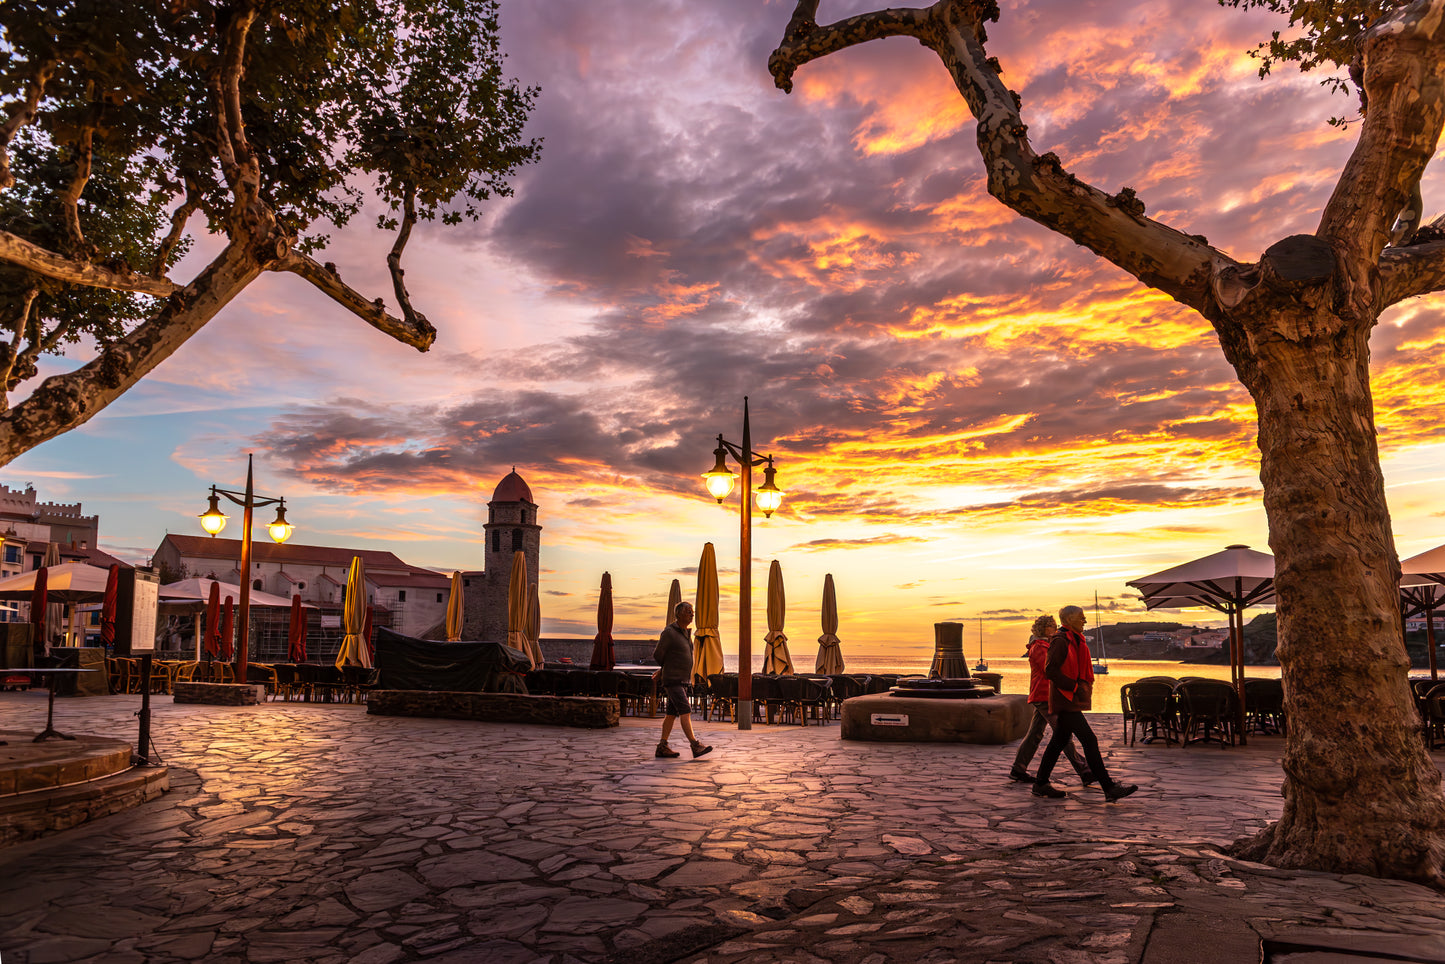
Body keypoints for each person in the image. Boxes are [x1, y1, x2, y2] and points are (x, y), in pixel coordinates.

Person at [1033, 605, 1138, 802]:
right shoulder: (1061, 641)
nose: (1085, 620)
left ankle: (1040, 783)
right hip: (1066, 699)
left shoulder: (1075, 639)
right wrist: (1073, 687)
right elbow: (1051, 670)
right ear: (1069, 620)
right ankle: (1108, 787)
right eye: (1081, 618)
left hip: (1070, 698)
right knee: (1089, 740)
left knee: (1059, 741)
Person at [1009, 614, 1094, 786]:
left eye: (1055, 625)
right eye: (1051, 626)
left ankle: (1018, 769)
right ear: (1043, 629)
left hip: (1044, 695)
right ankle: (1084, 771)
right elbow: (1051, 670)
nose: (1055, 629)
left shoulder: (1045, 645)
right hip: (1044, 696)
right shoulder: (1039, 647)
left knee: (1035, 734)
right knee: (1063, 734)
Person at [652, 601, 713, 759]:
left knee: (671, 714)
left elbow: (675, 656)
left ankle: (662, 746)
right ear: (678, 614)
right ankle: (695, 745)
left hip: (682, 680)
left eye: (692, 611)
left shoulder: (686, 634)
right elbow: (658, 655)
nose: (692, 614)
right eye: (688, 611)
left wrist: (663, 669)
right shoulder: (669, 632)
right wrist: (665, 669)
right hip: (673, 680)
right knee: (685, 710)